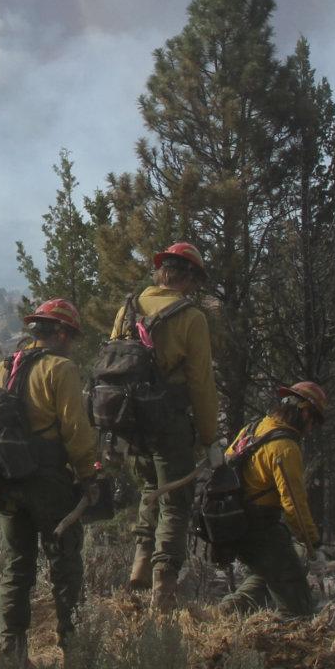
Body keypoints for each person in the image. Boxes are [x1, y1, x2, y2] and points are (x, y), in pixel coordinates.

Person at [0, 299, 102, 663]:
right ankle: (74, 650)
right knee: (65, 562)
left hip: (5, 480)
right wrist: (89, 474)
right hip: (48, 481)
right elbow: (75, 429)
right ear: (62, 333)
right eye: (72, 336)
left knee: (17, 564)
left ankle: (11, 655)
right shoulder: (61, 368)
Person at [110, 241, 217, 609]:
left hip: (130, 420)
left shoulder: (128, 307)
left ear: (161, 272)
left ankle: (140, 560)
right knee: (175, 500)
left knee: (147, 490)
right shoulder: (191, 318)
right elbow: (201, 381)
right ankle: (164, 589)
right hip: (169, 419)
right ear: (188, 278)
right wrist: (209, 436)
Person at [218, 381, 327, 618]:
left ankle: (228, 610)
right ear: (305, 412)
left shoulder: (254, 428)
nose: (312, 428)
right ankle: (294, 643)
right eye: (314, 421)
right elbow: (294, 505)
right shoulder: (285, 447)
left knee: (266, 571)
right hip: (260, 527)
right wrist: (312, 545)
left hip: (235, 522)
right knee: (296, 601)